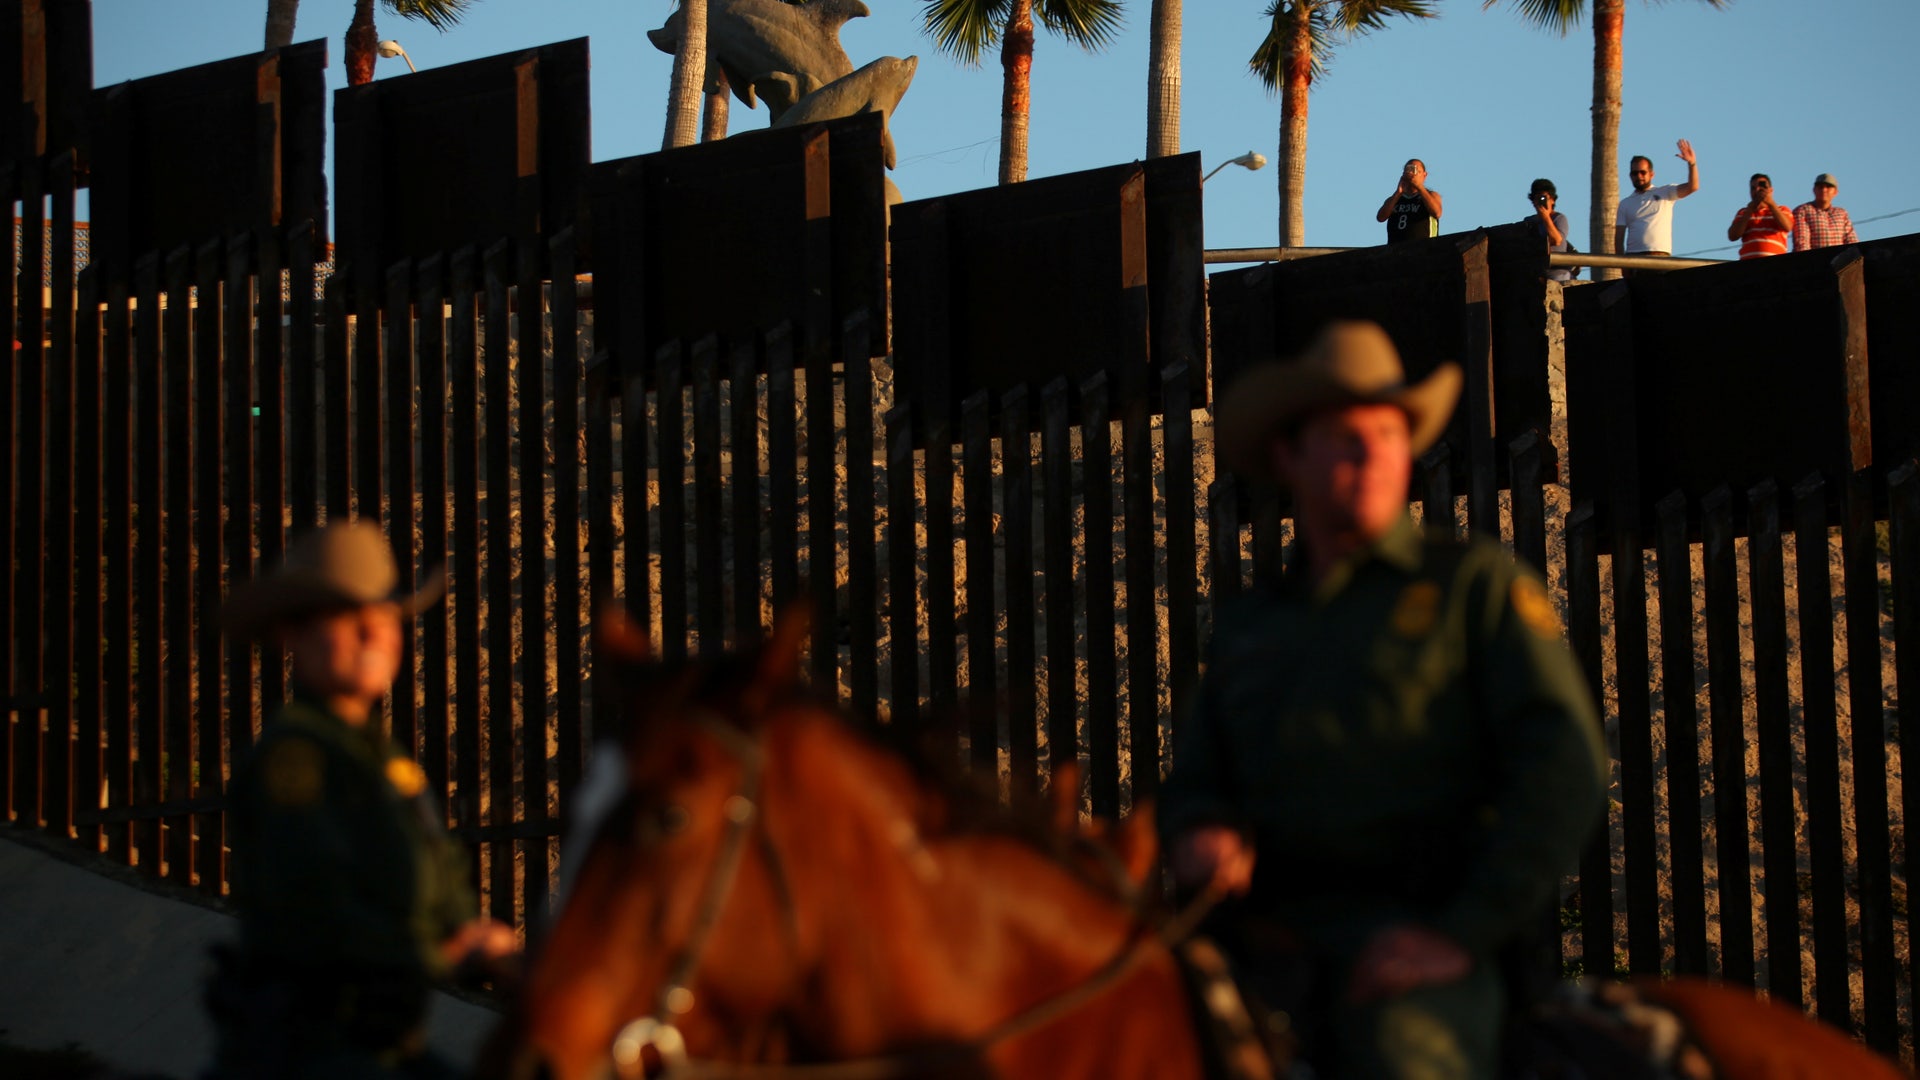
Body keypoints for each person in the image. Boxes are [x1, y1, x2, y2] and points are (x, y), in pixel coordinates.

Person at [1162, 321, 1607, 1080]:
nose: (1372, 455)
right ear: (1287, 455)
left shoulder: (1473, 588)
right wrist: (1202, 828)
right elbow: (1199, 776)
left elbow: (1564, 765)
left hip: (1421, 937)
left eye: (1389, 434)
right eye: (1344, 436)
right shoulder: (1252, 621)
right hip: (1255, 937)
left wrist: (1460, 931)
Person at [206, 521, 517, 1080]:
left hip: (387, 1046)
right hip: (309, 1053)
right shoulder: (294, 760)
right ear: (290, 637)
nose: (375, 632)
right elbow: (321, 912)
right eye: (347, 618)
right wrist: (444, 956)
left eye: (386, 616)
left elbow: (443, 884)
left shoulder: (386, 762)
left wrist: (481, 939)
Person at [1614, 139, 1700, 263]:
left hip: (1660, 257)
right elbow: (1618, 239)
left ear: (1651, 174)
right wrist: (1623, 265)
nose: (1639, 176)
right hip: (1633, 259)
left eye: (1643, 172)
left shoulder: (1665, 192)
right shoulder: (1625, 203)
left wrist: (1692, 164)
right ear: (1630, 176)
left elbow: (1693, 187)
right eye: (1635, 173)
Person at [1522, 178, 1577, 283]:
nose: (1540, 201)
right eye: (1537, 198)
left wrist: (1546, 217)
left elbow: (1557, 240)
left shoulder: (1559, 218)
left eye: (1544, 198)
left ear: (1552, 200)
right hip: (1537, 271)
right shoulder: (1529, 221)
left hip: (1558, 272)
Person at [1727, 173, 1793, 259]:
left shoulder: (1782, 210)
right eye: (1753, 188)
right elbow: (1732, 236)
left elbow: (1787, 227)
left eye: (1762, 186)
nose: (1757, 190)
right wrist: (1749, 211)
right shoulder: (1743, 212)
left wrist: (1771, 204)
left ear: (1771, 190)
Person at [1378, 158, 1443, 244]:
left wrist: (1419, 187)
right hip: (1395, 250)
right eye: (1409, 170)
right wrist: (1398, 193)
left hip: (1425, 249)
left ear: (1424, 175)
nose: (1413, 174)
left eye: (1417, 171)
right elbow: (1381, 217)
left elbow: (1437, 213)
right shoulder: (1394, 199)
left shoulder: (1431, 195)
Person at [1793, 172, 1858, 251]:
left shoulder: (1842, 213)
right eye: (1820, 187)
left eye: (1828, 187)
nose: (1824, 190)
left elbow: (1851, 241)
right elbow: (1802, 242)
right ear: (1814, 190)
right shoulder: (1802, 211)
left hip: (1840, 261)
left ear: (1835, 192)